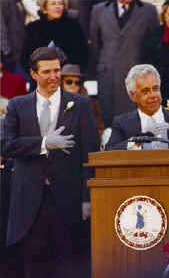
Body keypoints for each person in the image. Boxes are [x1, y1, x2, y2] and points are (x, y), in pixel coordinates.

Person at [1, 47, 100, 278]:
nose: (54, 76)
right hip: (29, 203)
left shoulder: (80, 104)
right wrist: (44, 143)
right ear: (34, 74)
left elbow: (91, 154)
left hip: (68, 200)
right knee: (34, 267)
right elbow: (5, 144)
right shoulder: (18, 105)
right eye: (47, 72)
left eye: (57, 71)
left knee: (69, 266)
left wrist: (88, 198)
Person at [89, 0, 160, 128]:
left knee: (135, 123)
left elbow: (154, 46)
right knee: (109, 124)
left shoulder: (148, 11)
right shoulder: (98, 10)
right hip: (107, 77)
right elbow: (95, 46)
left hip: (137, 79)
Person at [105, 64, 169, 151]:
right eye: (145, 91)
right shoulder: (122, 123)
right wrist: (140, 140)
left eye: (155, 89)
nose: (153, 95)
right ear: (133, 95)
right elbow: (109, 152)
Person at [21, 0, 88, 74]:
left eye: (60, 4)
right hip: (41, 77)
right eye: (53, 4)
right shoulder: (33, 28)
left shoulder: (73, 26)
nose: (57, 6)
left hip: (67, 77)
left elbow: (83, 54)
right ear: (45, 9)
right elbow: (26, 57)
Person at [61, 64, 104, 137]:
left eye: (77, 83)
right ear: (61, 83)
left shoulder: (91, 104)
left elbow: (99, 128)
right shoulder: (54, 101)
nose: (73, 85)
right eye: (69, 82)